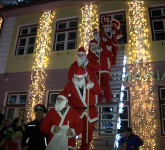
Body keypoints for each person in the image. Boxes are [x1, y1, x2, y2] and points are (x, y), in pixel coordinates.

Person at [64, 66, 102, 150]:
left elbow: (99, 91)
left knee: (87, 136)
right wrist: (66, 97)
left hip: (90, 113)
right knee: (71, 133)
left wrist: (92, 86)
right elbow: (64, 96)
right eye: (76, 78)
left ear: (84, 76)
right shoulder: (69, 85)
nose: (78, 80)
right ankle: (70, 148)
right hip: (76, 113)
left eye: (80, 78)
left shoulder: (90, 82)